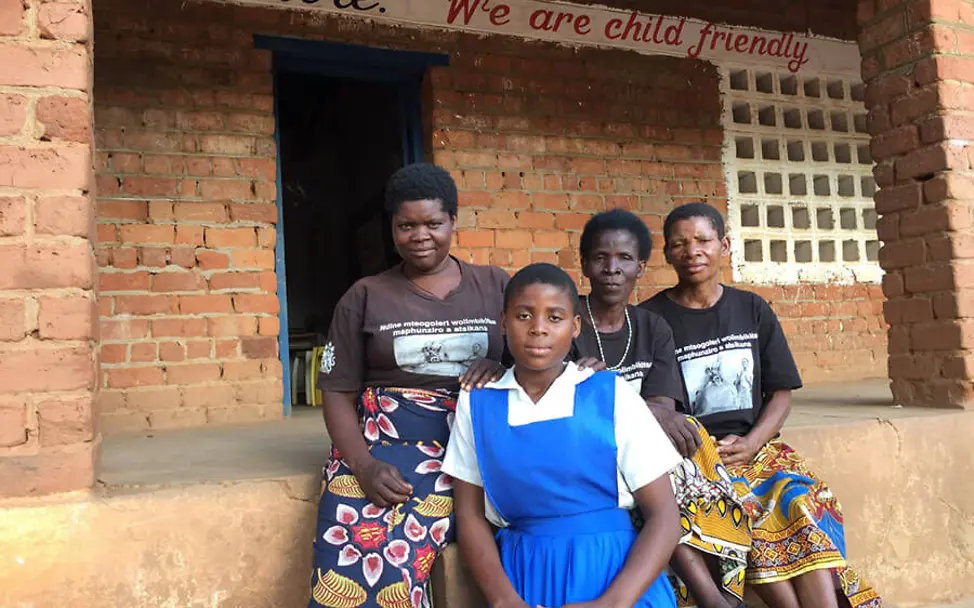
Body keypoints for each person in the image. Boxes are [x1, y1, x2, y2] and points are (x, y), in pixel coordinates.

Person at [641, 202, 882, 608]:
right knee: (748, 512)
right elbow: (658, 407)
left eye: (703, 240)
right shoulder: (652, 318)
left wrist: (753, 442)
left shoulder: (751, 308)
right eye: (679, 244)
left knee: (800, 501)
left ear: (725, 245)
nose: (692, 251)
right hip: (695, 457)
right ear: (667, 254)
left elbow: (781, 393)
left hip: (757, 447)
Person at [310, 163, 508, 608]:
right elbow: (337, 392)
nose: (420, 235)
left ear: (454, 221)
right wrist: (362, 466)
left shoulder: (495, 285)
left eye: (433, 223)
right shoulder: (365, 296)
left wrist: (501, 368)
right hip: (389, 448)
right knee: (361, 553)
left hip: (482, 443)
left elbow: (540, 358)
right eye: (406, 225)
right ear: (393, 228)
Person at [443, 263, 683, 608]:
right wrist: (504, 600)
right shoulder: (478, 403)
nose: (538, 329)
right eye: (524, 316)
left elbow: (665, 516)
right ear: (503, 322)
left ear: (575, 327)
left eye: (554, 318)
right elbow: (469, 516)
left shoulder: (610, 394)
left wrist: (613, 603)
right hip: (525, 577)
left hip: (616, 577)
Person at [574, 209, 753, 608]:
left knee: (691, 454)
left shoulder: (652, 326)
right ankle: (713, 599)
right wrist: (625, 405)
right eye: (601, 258)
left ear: (640, 267)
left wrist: (609, 390)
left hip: (644, 442)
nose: (612, 269)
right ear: (584, 264)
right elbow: (575, 409)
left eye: (624, 259)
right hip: (592, 448)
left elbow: (662, 410)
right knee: (657, 480)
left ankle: (727, 588)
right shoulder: (567, 322)